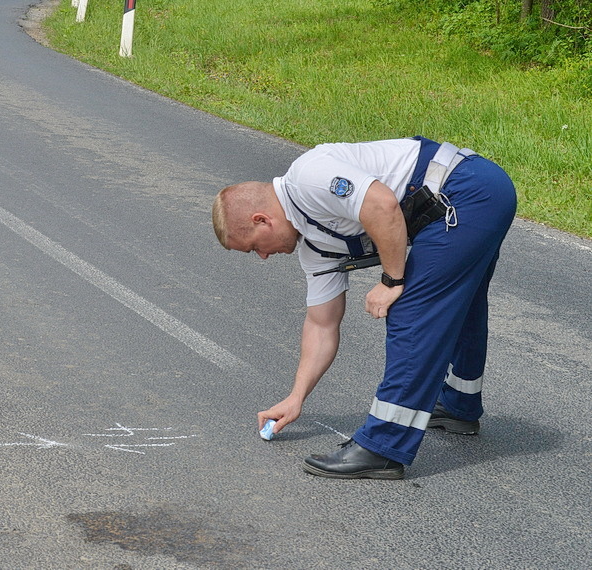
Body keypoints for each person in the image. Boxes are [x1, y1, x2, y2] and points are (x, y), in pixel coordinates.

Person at [212, 137, 517, 479]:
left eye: (254, 248)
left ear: (261, 220)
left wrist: (391, 281)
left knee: (410, 311)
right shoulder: (315, 248)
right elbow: (321, 325)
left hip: (468, 190)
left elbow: (381, 205)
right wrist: (296, 397)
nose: (263, 257)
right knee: (459, 305)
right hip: (469, 200)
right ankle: (459, 405)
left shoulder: (308, 178)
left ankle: (383, 447)